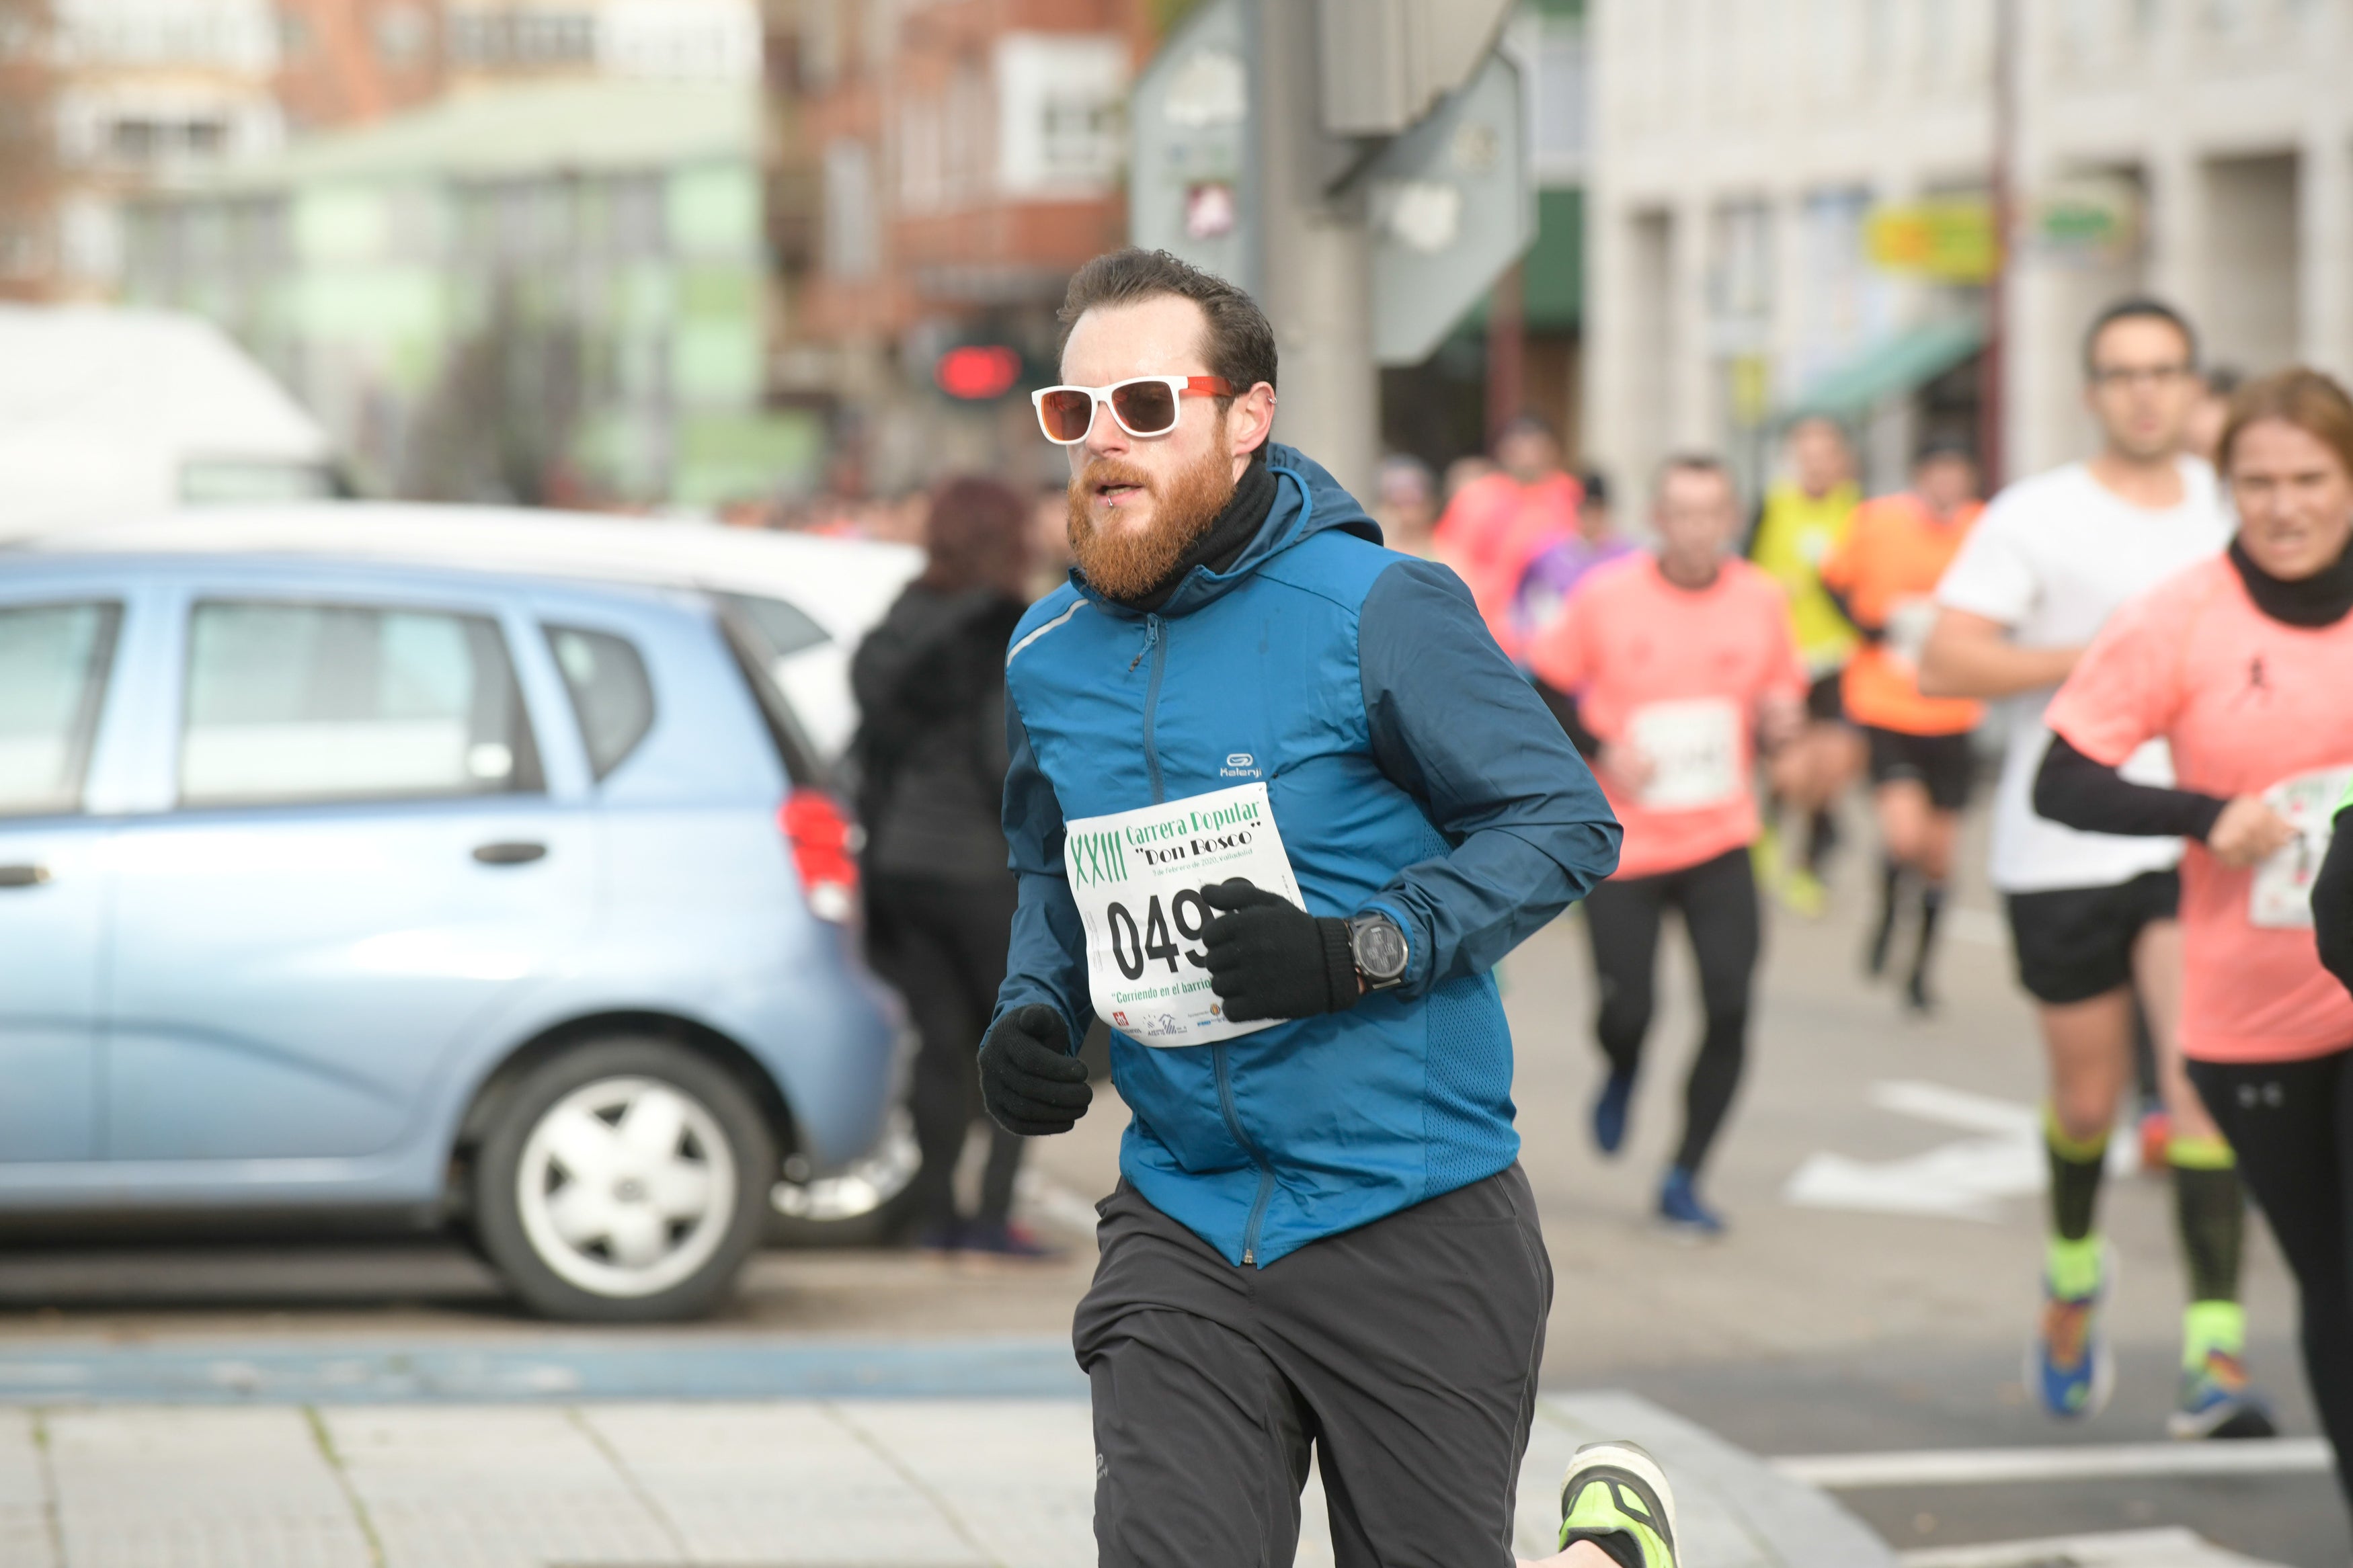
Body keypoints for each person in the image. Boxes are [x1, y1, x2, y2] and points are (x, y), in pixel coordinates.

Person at [981, 247, 1641, 1568]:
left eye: (1147, 407)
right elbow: (1055, 859)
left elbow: (1564, 821)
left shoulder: (1377, 609)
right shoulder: (1048, 653)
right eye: (1075, 414)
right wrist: (1032, 1003)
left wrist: (1360, 947)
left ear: (1246, 415)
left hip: (1407, 1209)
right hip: (1182, 1214)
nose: (1104, 443)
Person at [1920, 298, 2262, 1435]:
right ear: (2092, 391)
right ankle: (2074, 1269)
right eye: (2123, 373)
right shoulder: (2038, 516)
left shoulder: (2239, 507)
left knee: (2200, 1079)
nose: (2147, 392)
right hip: (2060, 841)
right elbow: (1944, 658)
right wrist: (2112, 656)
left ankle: (2217, 1346)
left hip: (2201, 836)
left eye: (2167, 370)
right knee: (2084, 1098)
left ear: (2192, 381)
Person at [2033, 367, 2353, 1502]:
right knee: (2334, 1278)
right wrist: (2204, 812)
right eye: (2257, 482)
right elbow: (2061, 775)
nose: (2285, 505)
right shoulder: (2181, 616)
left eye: (2310, 477)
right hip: (2257, 1008)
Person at [1527, 455, 1806, 1235]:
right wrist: (1601, 746)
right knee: (1630, 1009)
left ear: (1729, 516)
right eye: (1678, 511)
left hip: (1721, 837)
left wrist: (1782, 720)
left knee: (1729, 1006)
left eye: (1708, 511)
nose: (1693, 526)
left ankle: (1684, 1172)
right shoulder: (1605, 597)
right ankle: (1621, 1066)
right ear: (1657, 516)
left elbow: (1781, 692)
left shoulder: (1759, 598)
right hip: (1626, 843)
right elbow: (1544, 683)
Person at [850, 477, 1055, 1258]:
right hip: (980, 867)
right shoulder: (1001, 631)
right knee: (1024, 1033)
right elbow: (1002, 759)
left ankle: (933, 1211)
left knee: (940, 1045)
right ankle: (993, 1217)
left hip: (900, 864)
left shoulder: (901, 621)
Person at [1818, 441, 1985, 1012]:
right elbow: (1831, 578)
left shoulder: (1985, 531)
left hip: (1955, 710)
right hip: (1887, 703)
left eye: (1957, 474)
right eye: (1937, 473)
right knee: (1904, 836)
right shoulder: (1877, 522)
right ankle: (1889, 912)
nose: (1947, 484)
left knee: (1939, 856)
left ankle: (1920, 970)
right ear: (1920, 477)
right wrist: (1863, 628)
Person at [1747, 416, 1866, 915]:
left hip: (1840, 656)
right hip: (1784, 657)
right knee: (1789, 770)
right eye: (1807, 455)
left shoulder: (1858, 510)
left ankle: (1807, 865)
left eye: (1826, 455)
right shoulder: (1774, 505)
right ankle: (1767, 828)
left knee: (1829, 771)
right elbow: (1744, 573)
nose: (1816, 465)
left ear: (1842, 460)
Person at [1432, 413, 1583, 661]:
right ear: (1504, 451)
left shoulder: (1571, 497)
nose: (1527, 458)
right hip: (1487, 633)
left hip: (1554, 635)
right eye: (1519, 449)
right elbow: (1450, 558)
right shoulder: (1477, 498)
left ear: (1553, 451)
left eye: (1536, 449)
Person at [1517, 468, 1638, 643]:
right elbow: (1527, 601)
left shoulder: (1627, 558)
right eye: (1587, 512)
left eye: (1598, 513)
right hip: (1559, 639)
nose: (1592, 520)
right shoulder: (1549, 555)